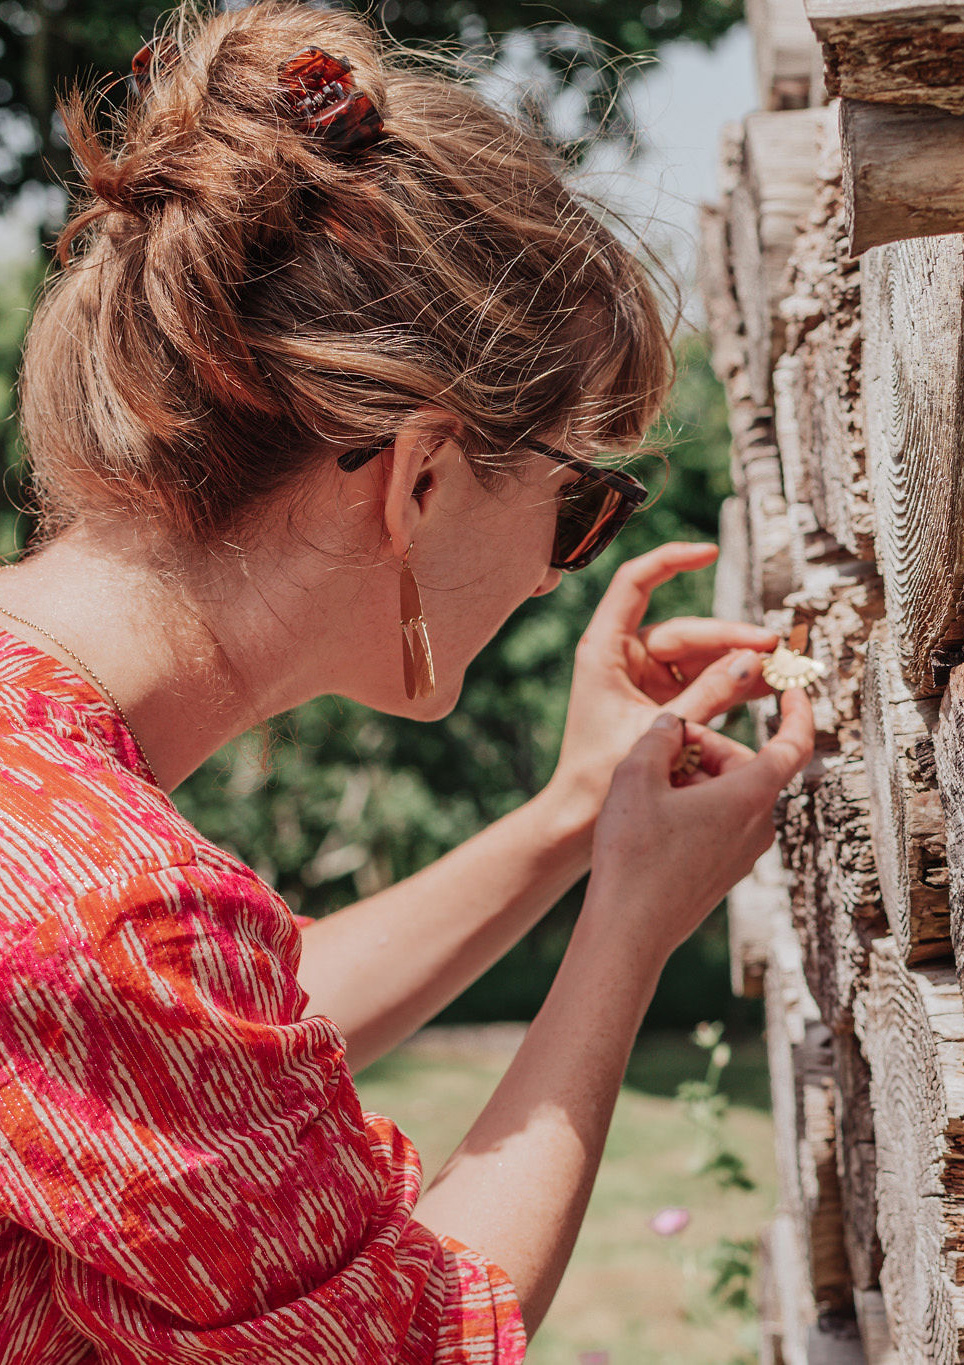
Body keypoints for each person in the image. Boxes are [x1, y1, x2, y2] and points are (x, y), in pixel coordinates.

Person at [0, 4, 814, 1361]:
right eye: (576, 506)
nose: (562, 570)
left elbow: (219, 1043)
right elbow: (420, 1335)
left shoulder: (63, 825)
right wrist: (627, 932)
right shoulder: (102, 905)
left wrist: (573, 817)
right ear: (422, 476)